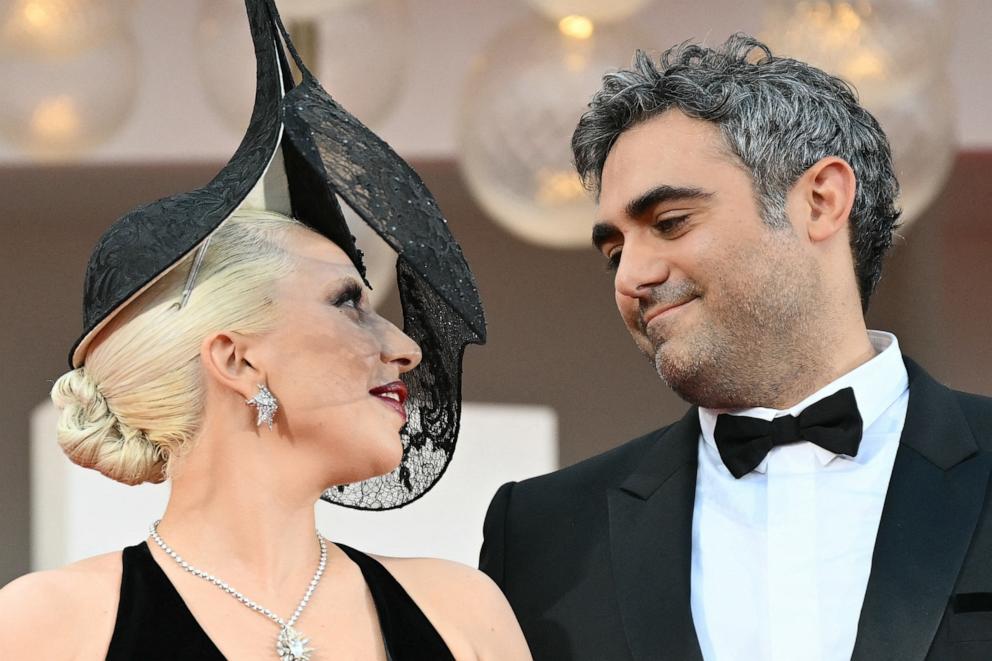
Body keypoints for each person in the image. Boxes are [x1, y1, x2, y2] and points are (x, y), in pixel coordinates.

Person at [0, 1, 531, 660]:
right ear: (237, 360)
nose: (406, 348)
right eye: (347, 304)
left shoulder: (463, 615)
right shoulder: (45, 629)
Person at [480, 33, 992, 661]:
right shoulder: (540, 533)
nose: (630, 277)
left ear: (821, 200)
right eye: (615, 252)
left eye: (670, 223)